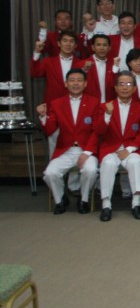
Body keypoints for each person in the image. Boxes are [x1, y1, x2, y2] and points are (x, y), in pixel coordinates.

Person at [37, 68, 99, 214]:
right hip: (65, 150)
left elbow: (97, 132)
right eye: (72, 80)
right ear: (66, 84)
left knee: (91, 170)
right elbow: (49, 130)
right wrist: (43, 117)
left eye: (79, 80)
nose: (75, 83)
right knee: (50, 173)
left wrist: (87, 152)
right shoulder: (57, 103)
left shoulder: (94, 102)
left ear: (85, 84)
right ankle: (60, 200)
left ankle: (84, 199)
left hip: (86, 150)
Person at [94, 71, 140, 222]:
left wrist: (129, 149)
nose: (125, 87)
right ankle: (106, 205)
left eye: (129, 84)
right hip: (111, 149)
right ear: (115, 87)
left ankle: (136, 203)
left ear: (135, 88)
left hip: (131, 149)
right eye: (121, 84)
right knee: (108, 164)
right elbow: (98, 131)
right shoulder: (104, 107)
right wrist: (107, 115)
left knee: (136, 162)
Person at [82, 34, 116, 103]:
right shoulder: (82, 64)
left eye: (105, 45)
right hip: (89, 104)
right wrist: (84, 70)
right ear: (93, 47)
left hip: (108, 104)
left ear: (109, 48)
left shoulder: (114, 65)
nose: (102, 48)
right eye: (98, 45)